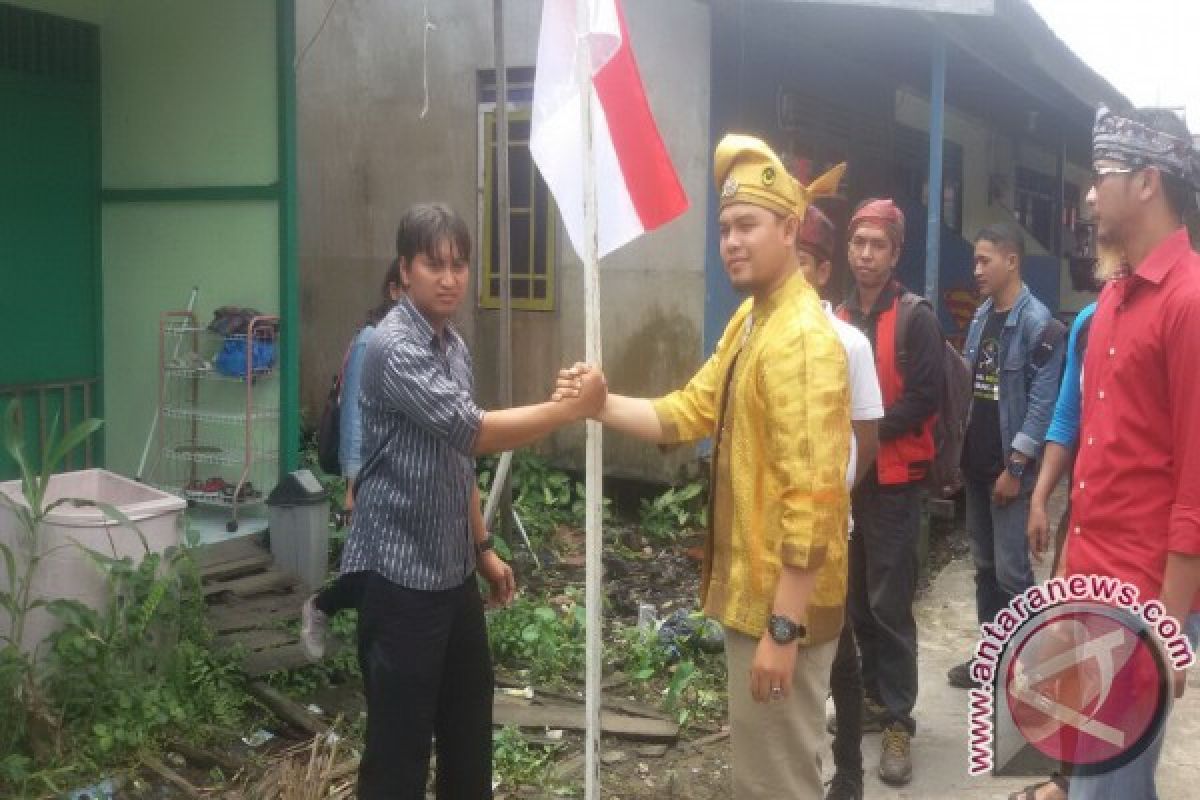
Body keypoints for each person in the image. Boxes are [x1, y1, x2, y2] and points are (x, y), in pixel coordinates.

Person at [561, 135, 851, 799]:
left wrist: (783, 629)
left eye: (747, 225)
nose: (732, 242)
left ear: (790, 227)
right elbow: (689, 411)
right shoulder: (753, 320)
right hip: (757, 601)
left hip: (783, 610)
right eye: (724, 228)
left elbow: (815, 500)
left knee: (778, 785)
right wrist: (600, 404)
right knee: (765, 774)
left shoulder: (802, 341)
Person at [341, 203, 606, 799]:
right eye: (434, 265)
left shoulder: (453, 346)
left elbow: (456, 461)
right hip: (399, 579)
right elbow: (475, 432)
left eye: (459, 265)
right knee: (398, 755)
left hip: (450, 575)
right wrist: (567, 410)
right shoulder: (392, 347)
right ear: (405, 270)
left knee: (468, 739)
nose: (449, 278)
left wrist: (482, 548)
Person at [1058, 106, 1200, 800]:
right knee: (1092, 780)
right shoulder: (1112, 300)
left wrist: (1170, 627)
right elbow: (1101, 453)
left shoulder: (1190, 302)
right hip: (1091, 581)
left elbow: (1196, 483)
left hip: (1142, 599)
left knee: (1105, 792)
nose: (1090, 192)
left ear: (1148, 182)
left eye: (1103, 174)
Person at [835, 198, 943, 786]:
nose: (866, 254)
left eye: (878, 245)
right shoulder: (841, 315)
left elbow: (925, 397)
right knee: (855, 600)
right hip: (851, 480)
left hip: (897, 483)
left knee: (889, 603)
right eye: (859, 244)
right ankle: (874, 698)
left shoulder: (916, 318)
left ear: (896, 252)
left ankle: (900, 718)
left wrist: (869, 428)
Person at [946, 222, 1064, 689]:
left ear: (1011, 261)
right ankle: (992, 657)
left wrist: (1016, 467)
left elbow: (1042, 405)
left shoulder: (1038, 323)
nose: (976, 270)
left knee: (1014, 573)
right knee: (985, 568)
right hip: (975, 466)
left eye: (984, 260)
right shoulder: (981, 317)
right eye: (975, 261)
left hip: (1007, 472)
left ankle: (1031, 668)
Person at [793, 206, 884, 800]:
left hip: (828, 526)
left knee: (838, 648)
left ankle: (847, 770)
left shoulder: (849, 344)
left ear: (822, 271)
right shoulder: (748, 334)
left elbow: (866, 436)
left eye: (797, 264)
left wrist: (834, 498)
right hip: (765, 531)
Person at [302, 259, 405, 660]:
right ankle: (323, 607)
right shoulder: (371, 340)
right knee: (372, 572)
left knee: (385, 571)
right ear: (395, 290)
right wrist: (352, 484)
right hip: (371, 477)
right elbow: (354, 417)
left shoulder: (422, 343)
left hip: (401, 478)